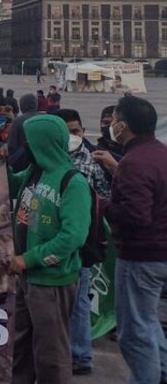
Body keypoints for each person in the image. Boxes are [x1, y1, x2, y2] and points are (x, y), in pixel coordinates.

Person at [9, 114, 91, 384]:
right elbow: (6, 183)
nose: (25, 148)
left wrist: (29, 259)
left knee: (51, 354)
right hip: (26, 278)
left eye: (29, 143)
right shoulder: (36, 172)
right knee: (20, 347)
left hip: (51, 281)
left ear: (43, 143)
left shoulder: (72, 182)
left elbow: (72, 237)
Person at [101, 96, 167, 384]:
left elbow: (136, 216)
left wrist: (101, 206)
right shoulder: (160, 154)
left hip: (140, 257)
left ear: (124, 126)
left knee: (134, 333)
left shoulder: (134, 162)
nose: (112, 125)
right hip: (160, 253)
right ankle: (162, 371)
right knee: (149, 321)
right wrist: (118, 170)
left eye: (114, 120)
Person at [56, 108, 111, 376]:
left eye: (76, 131)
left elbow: (105, 197)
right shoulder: (46, 161)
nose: (72, 137)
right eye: (66, 132)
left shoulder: (93, 162)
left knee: (78, 303)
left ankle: (80, 355)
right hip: (51, 242)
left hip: (79, 244)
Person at [6, 94, 41, 171]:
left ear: (23, 106)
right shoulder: (44, 119)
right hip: (42, 161)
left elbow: (11, 145)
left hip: (23, 162)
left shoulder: (17, 121)